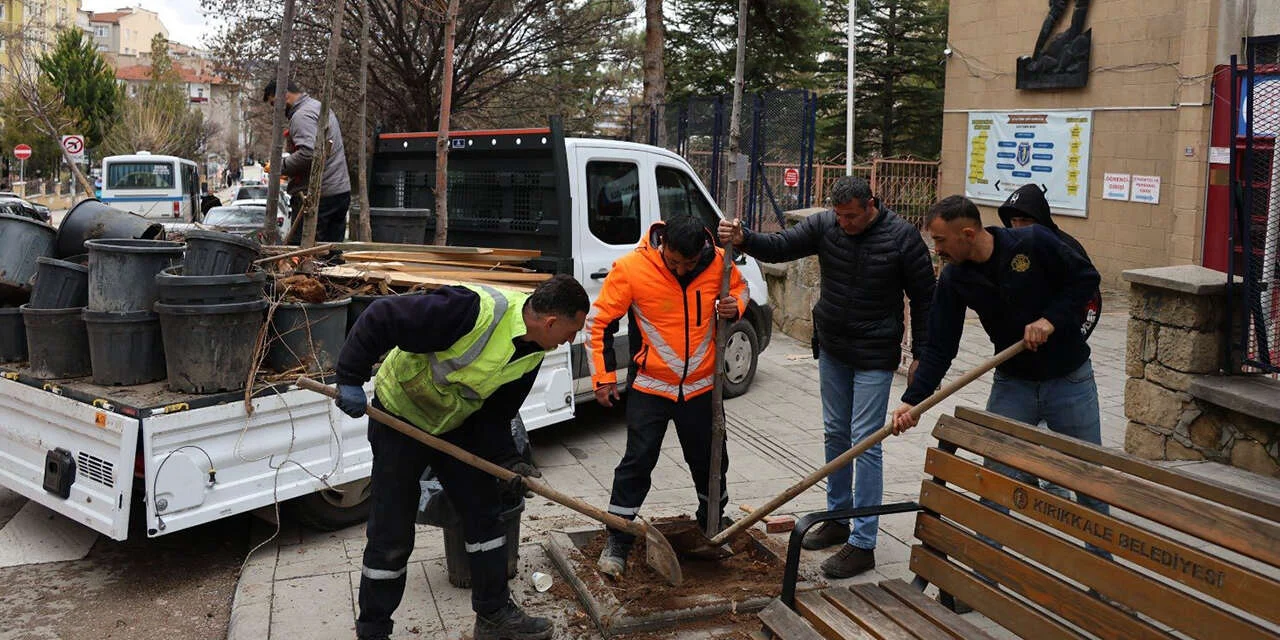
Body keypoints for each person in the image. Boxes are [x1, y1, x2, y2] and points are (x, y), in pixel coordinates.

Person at [334, 274, 590, 640]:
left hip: (454, 424)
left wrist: (507, 461)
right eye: (571, 331)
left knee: (486, 515)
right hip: (399, 415)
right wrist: (350, 376)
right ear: (551, 321)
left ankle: (494, 616)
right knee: (391, 530)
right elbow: (382, 315)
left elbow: (495, 415)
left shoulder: (533, 352)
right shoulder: (473, 311)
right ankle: (373, 629)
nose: (571, 339)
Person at [718, 177, 935, 579]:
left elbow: (925, 300)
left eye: (851, 216)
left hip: (874, 352)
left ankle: (864, 541)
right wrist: (745, 237)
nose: (845, 224)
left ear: (871, 204)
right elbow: (782, 246)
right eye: (839, 216)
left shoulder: (903, 238)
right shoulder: (826, 226)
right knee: (835, 432)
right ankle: (838, 518)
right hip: (833, 346)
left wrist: (922, 355)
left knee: (866, 441)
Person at [890, 195, 1108, 534]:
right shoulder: (954, 279)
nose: (937, 250)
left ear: (967, 233)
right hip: (1013, 384)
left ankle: (1103, 579)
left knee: (1088, 479)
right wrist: (913, 401)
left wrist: (1050, 320)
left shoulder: (1033, 243)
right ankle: (985, 571)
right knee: (994, 479)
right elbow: (939, 346)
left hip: (1069, 380)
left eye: (941, 240)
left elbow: (1085, 279)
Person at [589, 214, 748, 578]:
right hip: (650, 386)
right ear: (662, 246)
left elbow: (740, 290)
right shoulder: (631, 268)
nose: (678, 269)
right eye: (672, 261)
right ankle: (619, 539)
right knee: (638, 461)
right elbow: (599, 323)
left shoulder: (719, 265)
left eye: (687, 264)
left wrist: (735, 306)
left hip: (701, 389)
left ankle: (712, 524)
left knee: (710, 459)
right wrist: (603, 378)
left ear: (702, 251)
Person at [998, 183, 1102, 339]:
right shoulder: (1011, 249)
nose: (1018, 227)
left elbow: (1090, 298)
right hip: (1027, 341)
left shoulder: (1065, 247)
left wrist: (1074, 337)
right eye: (1014, 220)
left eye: (1025, 220)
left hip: (1064, 340)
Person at [262, 79, 351, 243]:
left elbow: (309, 154)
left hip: (319, 197)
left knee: (304, 253)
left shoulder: (302, 116)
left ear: (285, 95)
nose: (277, 110)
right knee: (330, 252)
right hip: (339, 191)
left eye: (275, 104)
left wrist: (279, 167)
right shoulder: (317, 107)